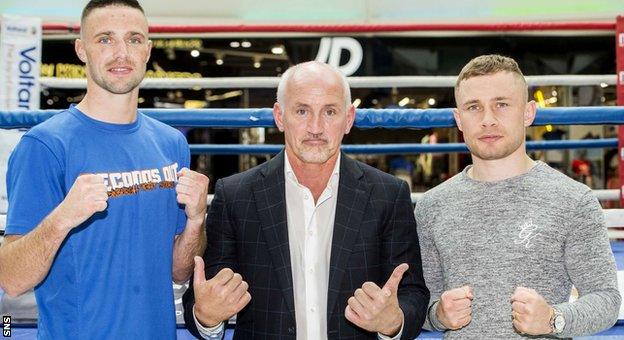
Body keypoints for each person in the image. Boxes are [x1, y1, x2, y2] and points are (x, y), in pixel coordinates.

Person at [0, 1, 208, 338]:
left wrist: (197, 221)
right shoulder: (45, 146)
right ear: (82, 50)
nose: (121, 53)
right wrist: (63, 216)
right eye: (105, 40)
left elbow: (179, 271)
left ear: (148, 50)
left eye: (134, 39)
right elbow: (11, 278)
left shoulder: (171, 144)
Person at [183, 61, 429, 339]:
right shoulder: (236, 195)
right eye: (302, 111)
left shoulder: (388, 195)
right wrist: (207, 317)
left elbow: (412, 294)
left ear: (348, 119)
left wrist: (393, 322)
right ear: (279, 116)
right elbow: (205, 300)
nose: (315, 127)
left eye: (330, 112)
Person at [415, 54, 620, 339]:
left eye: (501, 105)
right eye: (474, 107)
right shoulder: (431, 207)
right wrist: (437, 315)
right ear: (458, 119)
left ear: (528, 112)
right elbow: (419, 303)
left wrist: (553, 319)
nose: (487, 120)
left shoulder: (573, 200)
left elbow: (606, 298)